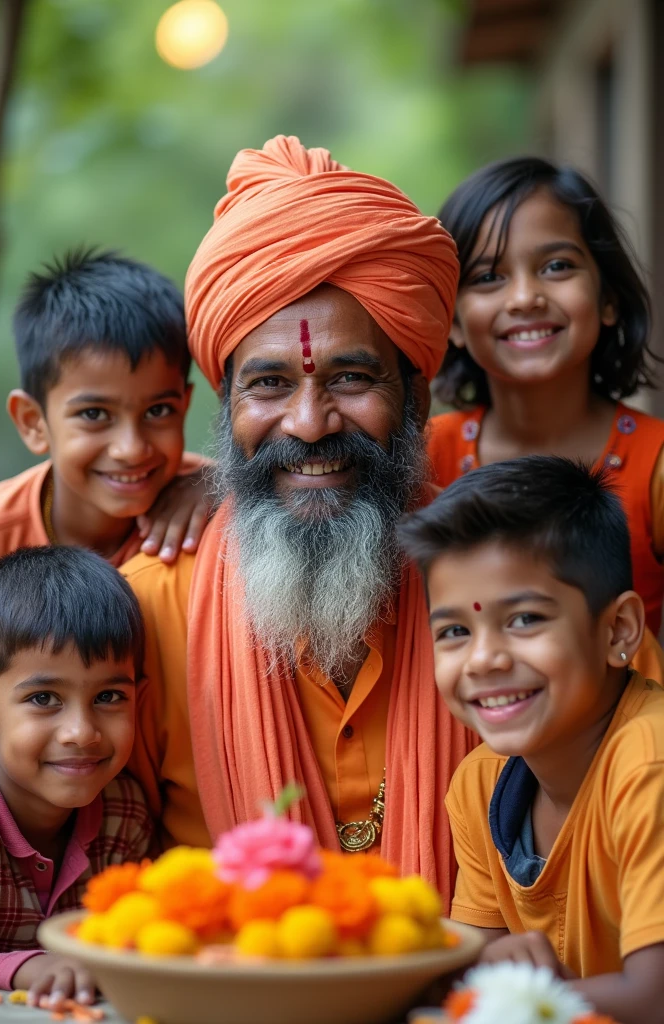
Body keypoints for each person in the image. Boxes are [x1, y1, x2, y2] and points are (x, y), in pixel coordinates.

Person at [124, 134, 476, 910]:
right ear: (227, 409)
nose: (310, 424)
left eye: (350, 378)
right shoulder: (149, 610)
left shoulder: (504, 585)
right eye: (270, 385)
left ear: (416, 401)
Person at [398, 456, 664, 1024]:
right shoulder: (481, 784)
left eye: (524, 620)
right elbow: (469, 966)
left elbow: (654, 1000)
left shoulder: (649, 766)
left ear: (618, 630)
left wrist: (510, 998)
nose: (485, 658)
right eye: (454, 631)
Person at [427, 157, 664, 636]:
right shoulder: (425, 457)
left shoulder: (655, 465)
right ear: (451, 320)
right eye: (488, 277)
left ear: (608, 299)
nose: (524, 298)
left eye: (557, 266)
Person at [0, 545, 151, 1008]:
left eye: (109, 696)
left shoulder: (124, 814)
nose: (81, 733)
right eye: (43, 699)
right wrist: (20, 966)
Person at [0, 248, 210, 570]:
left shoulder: (210, 502)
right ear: (33, 422)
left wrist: (225, 488)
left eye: (158, 411)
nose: (131, 450)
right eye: (94, 414)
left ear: (184, 407)